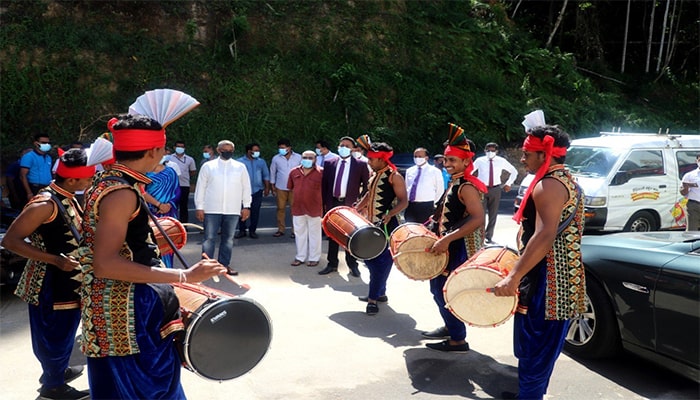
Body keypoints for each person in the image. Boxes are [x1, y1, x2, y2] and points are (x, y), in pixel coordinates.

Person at [78, 115, 227, 399]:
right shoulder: (121, 193)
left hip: (109, 303)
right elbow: (105, 263)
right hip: (126, 308)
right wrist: (185, 275)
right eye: (163, 147)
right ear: (153, 151)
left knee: (115, 384)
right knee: (149, 387)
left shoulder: (107, 179)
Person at [493, 123, 585, 400]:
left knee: (537, 347)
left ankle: (530, 396)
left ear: (545, 155)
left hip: (550, 280)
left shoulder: (549, 185)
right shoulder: (563, 179)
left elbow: (544, 235)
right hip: (555, 276)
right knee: (536, 346)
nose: (522, 159)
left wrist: (513, 277)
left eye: (527, 153)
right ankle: (529, 394)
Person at [2, 148, 94, 400]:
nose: (91, 181)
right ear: (73, 179)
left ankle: (57, 371)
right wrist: (55, 260)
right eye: (88, 177)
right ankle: (53, 388)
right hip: (50, 283)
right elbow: (11, 241)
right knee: (54, 334)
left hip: (68, 281)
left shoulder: (69, 195)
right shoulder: (44, 204)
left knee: (64, 331)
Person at [421, 123, 486, 352]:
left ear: (466, 162)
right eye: (446, 160)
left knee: (443, 291)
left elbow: (478, 219)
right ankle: (451, 326)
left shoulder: (466, 186)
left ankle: (458, 339)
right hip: (448, 245)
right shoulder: (457, 182)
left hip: (456, 249)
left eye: (453, 161)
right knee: (439, 290)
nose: (447, 164)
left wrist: (447, 239)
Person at [355, 142, 407, 314]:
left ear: (382, 159)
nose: (369, 161)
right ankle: (380, 292)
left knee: (381, 263)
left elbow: (404, 201)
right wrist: (357, 208)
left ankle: (372, 300)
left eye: (372, 159)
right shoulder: (374, 174)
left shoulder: (394, 176)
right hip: (371, 224)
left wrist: (390, 213)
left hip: (387, 226)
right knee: (369, 260)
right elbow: (370, 194)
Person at [195, 140, 252, 276]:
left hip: (232, 209)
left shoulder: (240, 167)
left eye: (231, 150)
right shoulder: (208, 166)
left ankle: (224, 265)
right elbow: (200, 187)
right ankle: (206, 267)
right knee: (209, 239)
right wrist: (199, 207)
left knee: (228, 239)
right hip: (211, 208)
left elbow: (246, 187)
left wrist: (247, 206)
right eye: (225, 150)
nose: (228, 152)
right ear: (219, 150)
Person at [319, 136, 370, 277]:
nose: (344, 148)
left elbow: (367, 186)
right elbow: (325, 185)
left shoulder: (360, 165)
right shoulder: (329, 163)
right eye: (341, 145)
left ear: (353, 149)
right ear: (338, 147)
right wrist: (325, 203)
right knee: (332, 234)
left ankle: (352, 264)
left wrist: (361, 204)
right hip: (333, 203)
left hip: (351, 205)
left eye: (347, 146)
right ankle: (332, 264)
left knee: (351, 235)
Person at [472, 142, 518, 243]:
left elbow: (514, 171)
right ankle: (480, 235)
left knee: (493, 213)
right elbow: (470, 171)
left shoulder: (501, 161)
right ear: (485, 151)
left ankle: (489, 236)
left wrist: (508, 183)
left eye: (493, 151)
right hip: (482, 188)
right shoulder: (480, 161)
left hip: (495, 188)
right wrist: (472, 183)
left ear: (496, 151)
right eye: (488, 150)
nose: (490, 152)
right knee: (480, 213)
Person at [142, 156, 181, 268]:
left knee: (168, 244)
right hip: (151, 213)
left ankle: (168, 271)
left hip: (169, 213)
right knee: (153, 244)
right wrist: (158, 204)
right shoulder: (144, 173)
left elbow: (177, 191)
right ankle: (155, 273)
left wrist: (169, 205)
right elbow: (142, 192)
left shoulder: (171, 172)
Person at [287, 150, 324, 267]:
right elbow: (290, 188)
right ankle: (300, 257)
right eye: (305, 157)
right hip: (298, 208)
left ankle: (314, 258)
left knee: (315, 234)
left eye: (310, 158)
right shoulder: (294, 172)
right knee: (299, 233)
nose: (307, 160)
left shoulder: (321, 172)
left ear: (315, 159)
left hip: (315, 208)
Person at [236, 143, 271, 239]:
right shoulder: (239, 162)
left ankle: (252, 230)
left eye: (258, 150)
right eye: (255, 150)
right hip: (242, 191)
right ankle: (242, 230)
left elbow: (266, 175)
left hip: (257, 191)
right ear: (248, 151)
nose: (257, 152)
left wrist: (267, 188)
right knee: (242, 211)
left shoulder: (261, 162)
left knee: (255, 212)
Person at [269, 138, 302, 238]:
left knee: (295, 210)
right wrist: (272, 185)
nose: (281, 150)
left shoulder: (299, 157)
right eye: (279, 148)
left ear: (289, 148)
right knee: (280, 208)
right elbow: (272, 171)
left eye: (283, 148)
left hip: (295, 187)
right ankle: (281, 229)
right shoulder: (276, 158)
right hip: (281, 187)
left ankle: (295, 231)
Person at [404, 147, 444, 224]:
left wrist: (432, 201)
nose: (417, 158)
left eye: (420, 156)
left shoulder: (434, 171)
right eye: (415, 156)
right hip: (411, 206)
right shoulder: (409, 171)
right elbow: (407, 186)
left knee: (424, 230)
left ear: (426, 158)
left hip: (426, 206)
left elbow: (440, 189)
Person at [20, 133, 54, 202]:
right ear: (36, 143)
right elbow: (22, 175)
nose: (47, 144)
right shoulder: (29, 157)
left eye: (48, 142)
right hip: (34, 188)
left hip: (47, 188)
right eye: (44, 142)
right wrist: (29, 192)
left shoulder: (48, 157)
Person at [171, 141, 197, 224]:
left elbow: (193, 171)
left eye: (182, 147)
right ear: (174, 148)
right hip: (172, 186)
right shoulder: (169, 158)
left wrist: (185, 176)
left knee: (183, 207)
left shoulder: (189, 159)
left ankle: (184, 225)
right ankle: (172, 224)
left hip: (184, 185)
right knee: (172, 205)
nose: (180, 148)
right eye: (178, 146)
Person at [680, 153, 700, 230]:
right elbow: (682, 192)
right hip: (694, 206)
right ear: (696, 161)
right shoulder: (689, 176)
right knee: (692, 231)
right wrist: (685, 187)